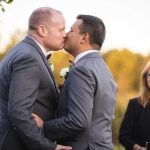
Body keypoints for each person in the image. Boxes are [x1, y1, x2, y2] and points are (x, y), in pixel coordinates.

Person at [33, 14, 118, 150]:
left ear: (84, 37)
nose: (66, 34)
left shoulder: (82, 69)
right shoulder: (103, 69)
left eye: (71, 30)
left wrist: (44, 126)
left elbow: (79, 121)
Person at [0, 7, 71, 150]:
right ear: (42, 30)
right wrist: (48, 146)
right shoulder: (29, 57)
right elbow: (19, 112)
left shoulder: (24, 50)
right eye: (61, 30)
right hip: (16, 143)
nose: (65, 35)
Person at [119, 60, 150, 150]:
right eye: (149, 75)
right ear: (145, 78)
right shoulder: (135, 104)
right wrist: (138, 148)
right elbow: (123, 135)